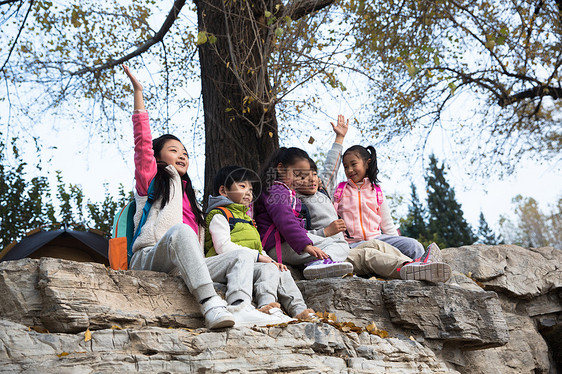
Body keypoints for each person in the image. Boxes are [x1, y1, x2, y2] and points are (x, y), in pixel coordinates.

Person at [123, 65, 280, 329]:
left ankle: (240, 307)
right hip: (152, 256)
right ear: (158, 157)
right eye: (174, 150)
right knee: (181, 232)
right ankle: (210, 305)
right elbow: (142, 144)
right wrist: (139, 95)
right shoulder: (152, 180)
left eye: (185, 152)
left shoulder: (193, 200)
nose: (183, 155)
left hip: (189, 262)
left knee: (243, 255)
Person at [295, 115, 451, 282]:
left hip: (376, 238)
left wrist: (395, 242)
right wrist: (339, 139)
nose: (349, 170)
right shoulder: (338, 190)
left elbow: (388, 226)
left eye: (354, 164)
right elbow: (329, 171)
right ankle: (414, 267)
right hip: (350, 243)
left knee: (413, 245)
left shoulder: (376, 191)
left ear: (367, 163)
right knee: (372, 254)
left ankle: (424, 267)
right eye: (346, 166)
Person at [205, 165, 315, 320]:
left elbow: (257, 247)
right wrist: (259, 257)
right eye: (242, 186)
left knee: (278, 270)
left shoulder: (248, 219)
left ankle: (296, 310)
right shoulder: (220, 214)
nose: (248, 193)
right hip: (225, 265)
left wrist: (269, 260)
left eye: (250, 189)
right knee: (263, 265)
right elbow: (222, 246)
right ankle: (256, 306)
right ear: (223, 191)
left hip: (248, 264)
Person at [253, 146, 353, 280]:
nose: (300, 180)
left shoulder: (283, 191)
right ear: (281, 168)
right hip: (278, 246)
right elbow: (286, 221)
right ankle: (319, 264)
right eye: (297, 175)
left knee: (335, 243)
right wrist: (305, 245)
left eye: (303, 176)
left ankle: (320, 263)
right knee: (339, 245)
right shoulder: (277, 191)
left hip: (287, 243)